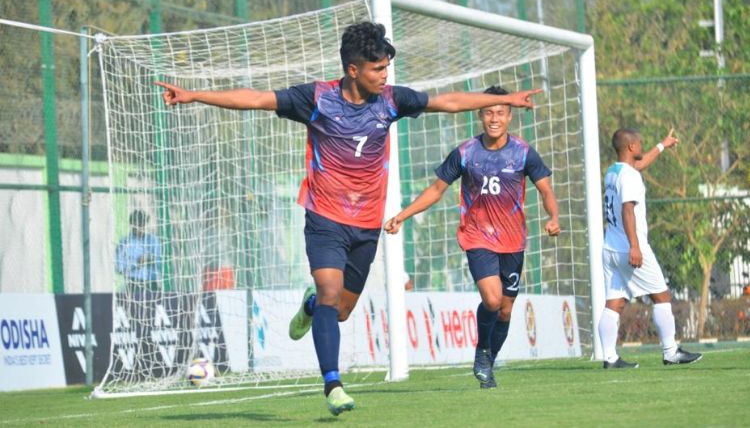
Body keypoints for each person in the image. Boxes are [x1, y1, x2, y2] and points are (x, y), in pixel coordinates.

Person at [157, 22, 540, 414]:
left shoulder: (391, 101)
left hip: (366, 224)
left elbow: (448, 102)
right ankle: (332, 385)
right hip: (324, 216)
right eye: (378, 69)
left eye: (386, 67)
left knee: (338, 310)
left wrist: (507, 96)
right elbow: (255, 98)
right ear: (353, 70)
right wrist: (194, 96)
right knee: (328, 292)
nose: (385, 75)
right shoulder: (317, 99)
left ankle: (310, 309)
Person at [384, 85, 560, 389]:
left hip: (513, 242)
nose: (494, 118)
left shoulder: (523, 152)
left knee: (505, 309)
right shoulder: (466, 152)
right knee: (492, 299)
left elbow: (545, 190)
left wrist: (554, 217)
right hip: (477, 237)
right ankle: (482, 351)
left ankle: (488, 364)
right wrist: (402, 214)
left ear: (509, 117)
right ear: (480, 114)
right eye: (489, 112)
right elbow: (436, 190)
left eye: (500, 113)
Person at [599, 128, 702, 368]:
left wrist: (663, 144)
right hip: (629, 247)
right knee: (662, 295)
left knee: (614, 302)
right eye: (640, 143)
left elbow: (640, 164)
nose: (642, 146)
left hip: (610, 248)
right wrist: (635, 246)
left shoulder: (613, 172)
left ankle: (609, 358)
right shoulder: (630, 177)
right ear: (631, 147)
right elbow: (627, 210)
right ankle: (670, 352)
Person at [115, 209, 162, 292]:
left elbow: (161, 263)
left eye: (142, 223)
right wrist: (136, 262)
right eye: (137, 223)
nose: (140, 226)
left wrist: (151, 259)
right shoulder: (124, 242)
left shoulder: (154, 241)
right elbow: (119, 268)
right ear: (131, 224)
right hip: (132, 284)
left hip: (152, 284)